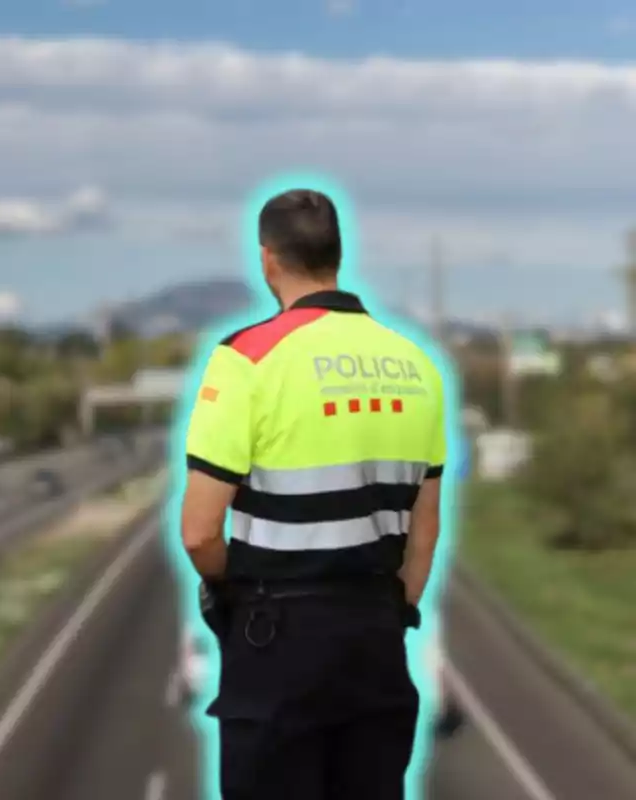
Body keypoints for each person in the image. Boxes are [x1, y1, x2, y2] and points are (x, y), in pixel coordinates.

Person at [179, 189, 447, 800]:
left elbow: (198, 532)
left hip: (278, 642)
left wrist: (232, 593)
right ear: (337, 256)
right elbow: (424, 530)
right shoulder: (416, 366)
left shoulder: (246, 358)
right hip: (377, 643)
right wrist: (391, 611)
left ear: (268, 259)